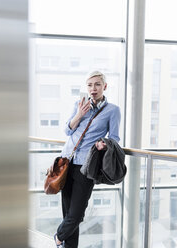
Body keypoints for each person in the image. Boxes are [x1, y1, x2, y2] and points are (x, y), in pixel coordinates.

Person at [54, 71, 121, 248]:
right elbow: (67, 131)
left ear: (104, 86)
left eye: (97, 84)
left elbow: (114, 138)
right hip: (67, 161)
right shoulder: (79, 104)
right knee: (68, 212)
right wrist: (79, 114)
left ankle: (58, 237)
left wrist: (103, 144)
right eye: (90, 85)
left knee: (76, 214)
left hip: (86, 166)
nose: (93, 89)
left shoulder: (112, 110)